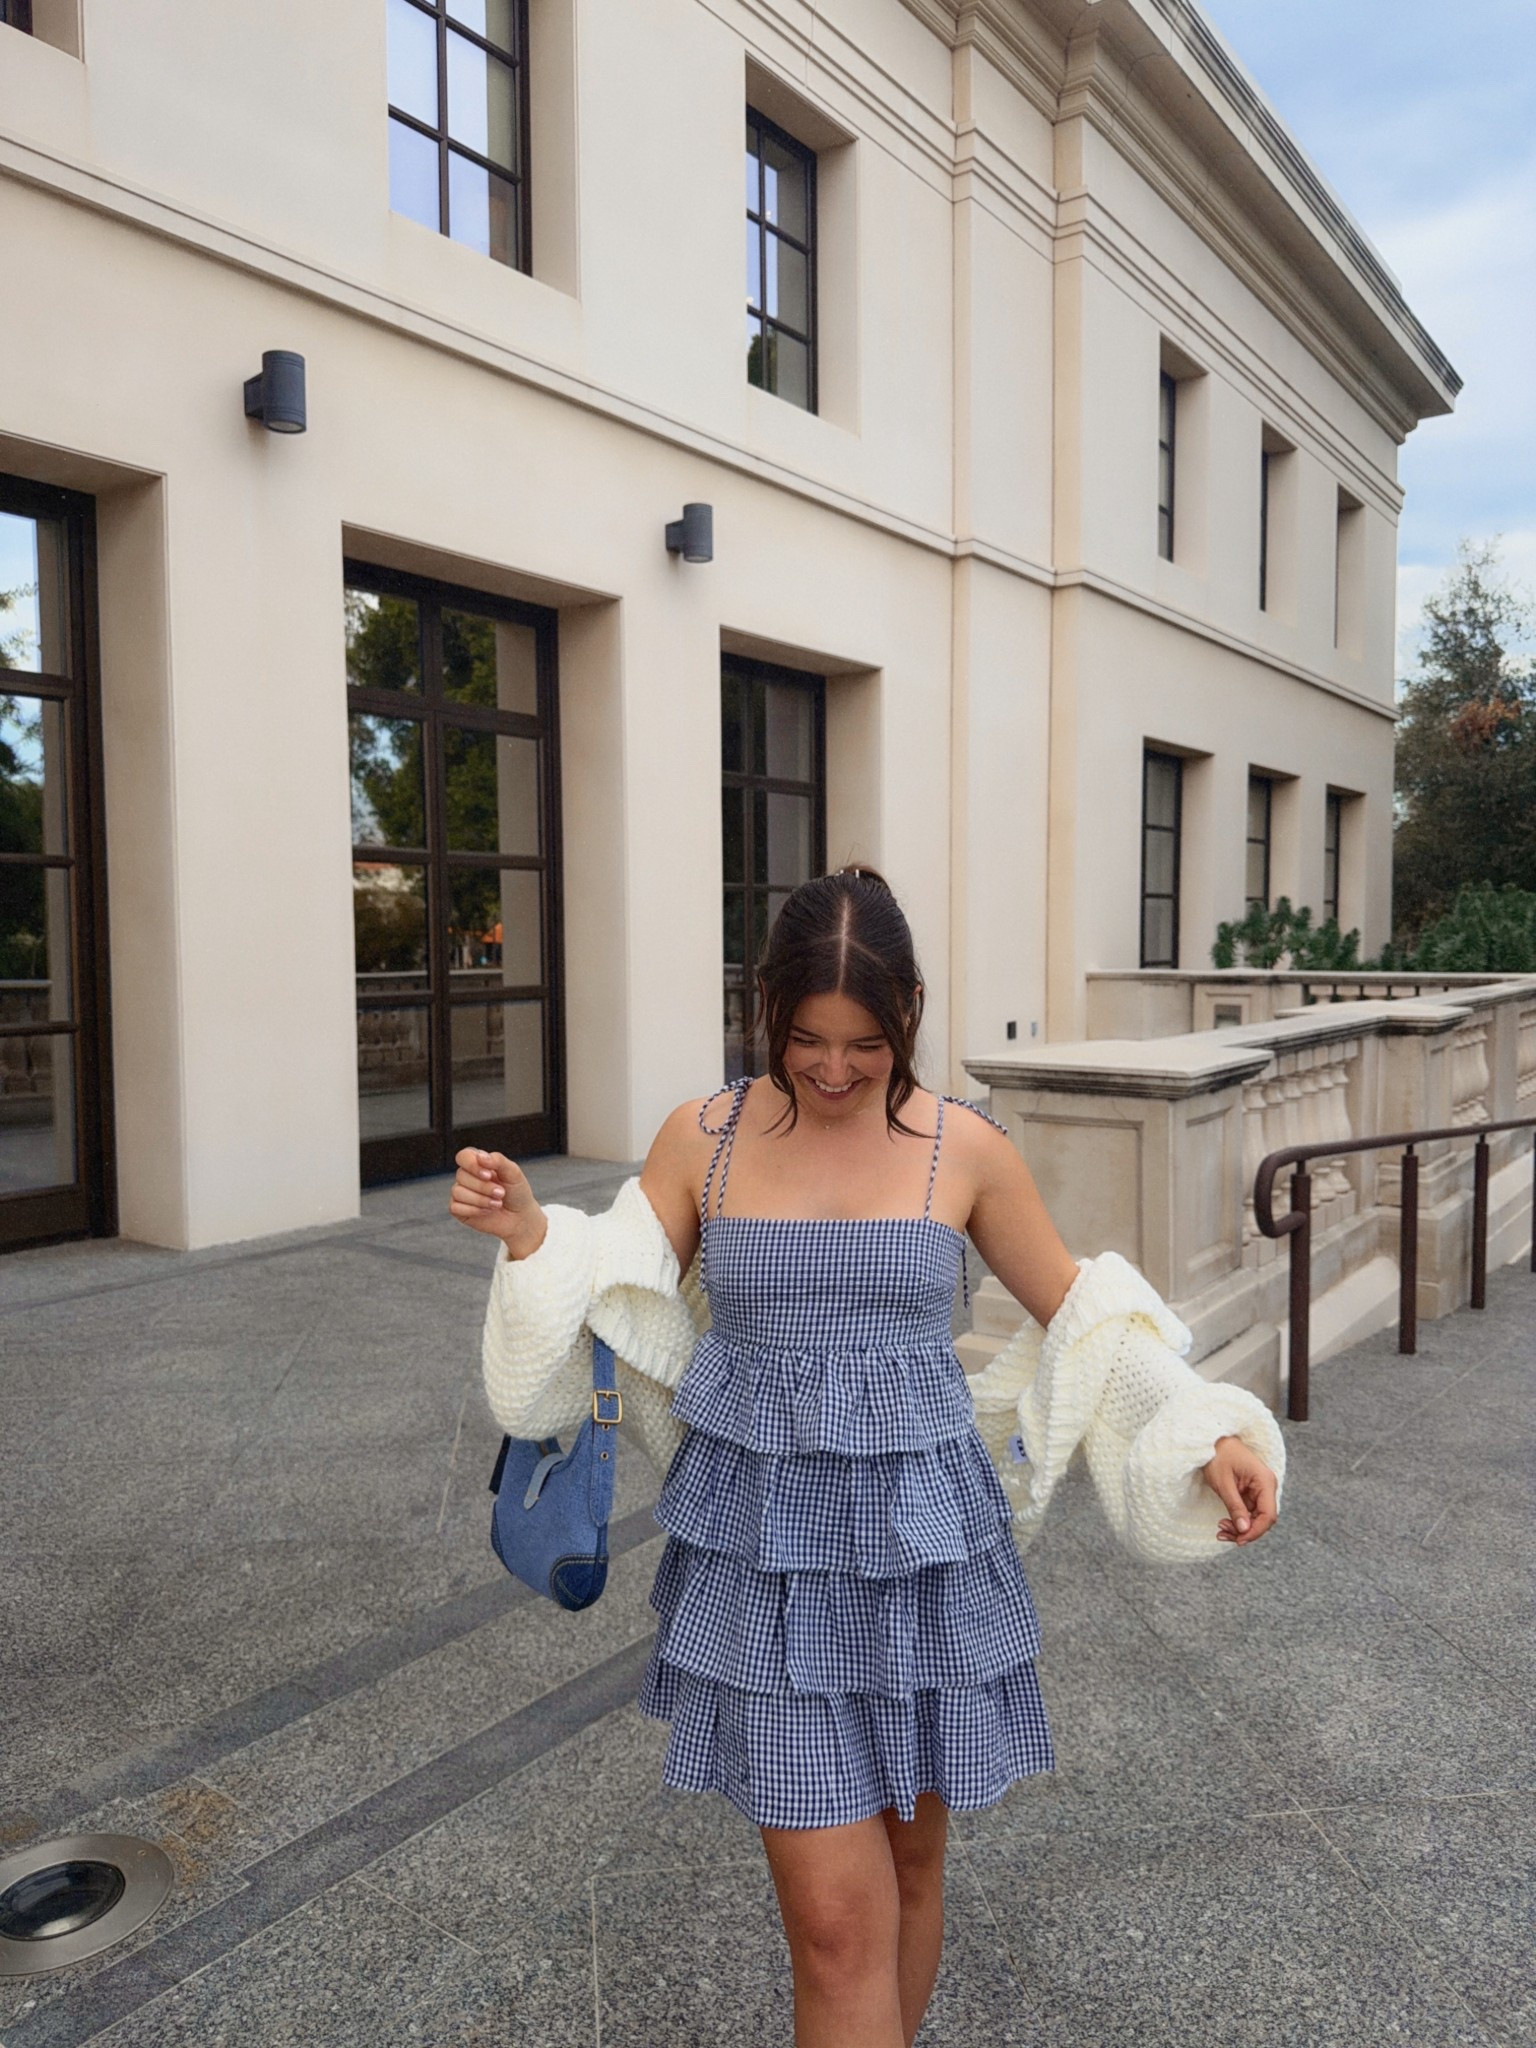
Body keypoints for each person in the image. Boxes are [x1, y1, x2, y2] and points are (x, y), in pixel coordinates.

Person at [449, 866, 1284, 2048]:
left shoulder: (968, 1147)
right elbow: (618, 1279)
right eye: (806, 1040)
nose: (835, 1069)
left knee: (910, 1860)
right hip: (765, 1560)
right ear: (766, 1011)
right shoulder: (707, 1135)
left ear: (913, 1015)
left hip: (927, 1551)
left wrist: (1207, 1428)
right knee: (837, 1927)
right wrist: (533, 1238)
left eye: (865, 1045)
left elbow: (1081, 1305)